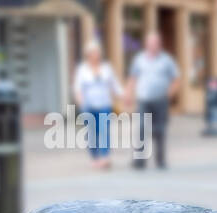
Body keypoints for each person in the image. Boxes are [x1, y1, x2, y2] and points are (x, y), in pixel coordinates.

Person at [126, 31, 180, 169]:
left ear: (159, 44)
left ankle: (160, 160)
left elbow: (176, 79)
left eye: (154, 43)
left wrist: (168, 95)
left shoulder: (166, 60)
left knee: (159, 130)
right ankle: (140, 160)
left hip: (160, 100)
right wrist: (128, 94)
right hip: (144, 99)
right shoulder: (139, 59)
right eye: (149, 43)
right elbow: (133, 78)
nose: (152, 46)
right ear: (146, 44)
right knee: (142, 127)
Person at [71, 40, 120, 171]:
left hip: (104, 105)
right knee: (91, 134)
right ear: (87, 54)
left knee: (104, 131)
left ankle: (104, 157)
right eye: (92, 52)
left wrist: (123, 95)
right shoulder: (82, 69)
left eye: (97, 52)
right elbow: (77, 88)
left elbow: (114, 85)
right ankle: (95, 157)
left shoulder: (106, 68)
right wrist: (81, 102)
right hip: (88, 106)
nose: (95, 55)